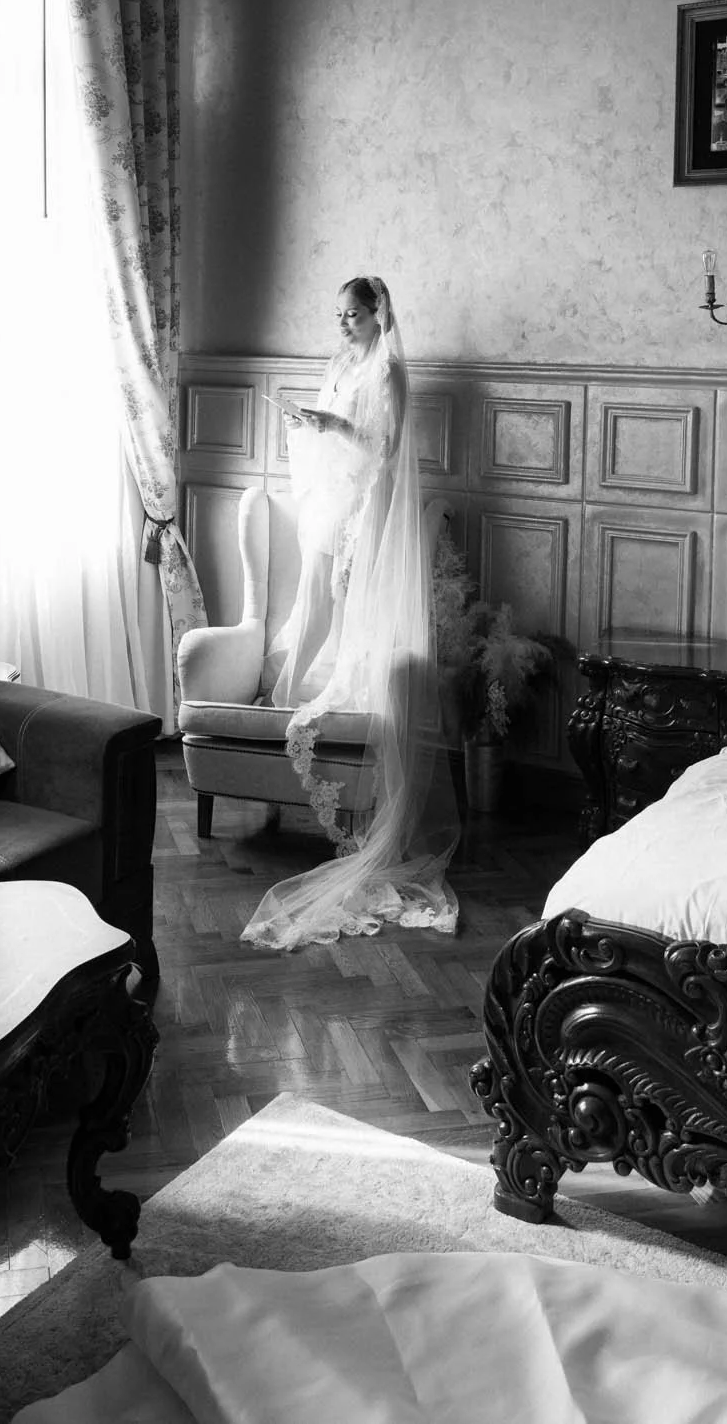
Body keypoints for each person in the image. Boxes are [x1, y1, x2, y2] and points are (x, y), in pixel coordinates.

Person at [242, 276, 460, 951]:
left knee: (332, 598)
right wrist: (308, 423)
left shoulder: (388, 369)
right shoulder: (338, 364)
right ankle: (282, 693)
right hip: (331, 500)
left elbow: (386, 449)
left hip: (366, 502)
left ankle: (288, 696)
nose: (343, 325)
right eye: (338, 314)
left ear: (379, 315)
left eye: (354, 315)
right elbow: (331, 434)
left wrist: (333, 425)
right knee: (311, 593)